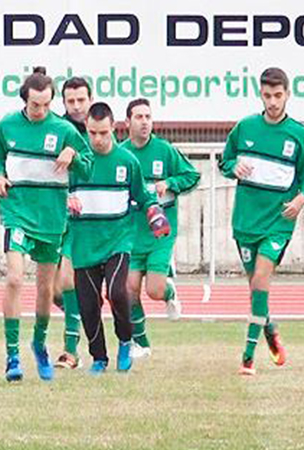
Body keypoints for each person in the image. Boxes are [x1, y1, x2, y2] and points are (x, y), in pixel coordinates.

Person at [0, 67, 92, 382]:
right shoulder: (7, 125)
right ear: (25, 100)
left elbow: (87, 167)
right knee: (15, 278)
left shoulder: (64, 130)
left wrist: (73, 154)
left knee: (46, 288)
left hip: (51, 217)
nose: (42, 111)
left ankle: (39, 343)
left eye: (47, 104)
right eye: (36, 105)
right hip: (17, 212)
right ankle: (12, 356)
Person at [218, 67, 304, 376]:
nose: (273, 102)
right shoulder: (245, 127)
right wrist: (233, 166)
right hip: (246, 222)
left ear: (288, 94)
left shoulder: (300, 135)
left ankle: (248, 358)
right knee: (255, 289)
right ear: (260, 95)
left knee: (261, 280)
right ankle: (270, 330)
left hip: (278, 222)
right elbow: (225, 160)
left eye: (278, 95)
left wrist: (302, 199)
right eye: (267, 96)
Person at [66, 102, 169, 373]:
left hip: (117, 241)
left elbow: (144, 196)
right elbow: (58, 195)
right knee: (88, 306)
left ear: (113, 128)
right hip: (84, 244)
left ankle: (125, 340)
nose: (98, 139)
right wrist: (68, 199)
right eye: (92, 133)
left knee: (117, 293)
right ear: (86, 130)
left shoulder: (127, 161)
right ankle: (99, 358)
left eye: (103, 133)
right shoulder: (77, 163)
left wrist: (154, 213)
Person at [121, 99, 200, 359]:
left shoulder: (164, 151)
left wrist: (170, 183)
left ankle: (169, 290)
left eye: (148, 116)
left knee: (153, 290)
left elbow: (192, 176)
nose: (144, 122)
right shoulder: (121, 154)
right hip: (131, 234)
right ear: (127, 122)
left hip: (159, 233)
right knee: (128, 288)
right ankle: (140, 343)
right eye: (139, 117)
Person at [51, 76, 93, 369]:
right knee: (55, 293)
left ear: (91, 99)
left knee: (67, 280)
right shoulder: (59, 131)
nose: (76, 106)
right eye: (71, 101)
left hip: (90, 219)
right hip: (56, 216)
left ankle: (70, 350)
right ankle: (84, 315)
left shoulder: (99, 132)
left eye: (81, 100)